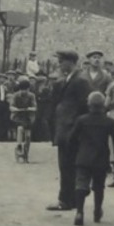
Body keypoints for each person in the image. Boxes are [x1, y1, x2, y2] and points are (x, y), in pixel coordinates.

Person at [66, 91, 114, 226]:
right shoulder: (109, 122)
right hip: (101, 158)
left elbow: (71, 139)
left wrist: (74, 153)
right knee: (99, 186)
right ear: (103, 105)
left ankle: (79, 212)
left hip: (83, 157)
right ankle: (97, 210)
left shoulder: (82, 120)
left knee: (81, 183)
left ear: (88, 104)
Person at [47, 50, 92, 213]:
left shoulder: (80, 81)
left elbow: (83, 106)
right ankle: (69, 199)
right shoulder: (69, 79)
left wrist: (75, 127)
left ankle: (66, 200)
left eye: (61, 61)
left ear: (70, 62)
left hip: (71, 130)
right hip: (66, 129)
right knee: (66, 166)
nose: (59, 64)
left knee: (67, 165)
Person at [8, 77, 38, 162]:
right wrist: (15, 109)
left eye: (25, 90)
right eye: (22, 89)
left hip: (28, 116)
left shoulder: (32, 96)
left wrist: (30, 108)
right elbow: (11, 106)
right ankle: (19, 146)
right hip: (18, 116)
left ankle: (26, 151)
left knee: (28, 135)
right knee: (20, 128)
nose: (24, 91)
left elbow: (35, 107)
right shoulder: (15, 95)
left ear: (28, 89)